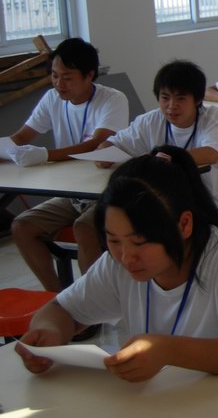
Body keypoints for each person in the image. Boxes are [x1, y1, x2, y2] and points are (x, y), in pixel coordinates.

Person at [15, 146, 218, 381]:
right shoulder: (116, 265)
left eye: (140, 242)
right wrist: (50, 331)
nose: (126, 257)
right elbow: (62, 310)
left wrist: (170, 351)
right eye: (113, 240)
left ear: (184, 224)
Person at [8, 38, 129, 292]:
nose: (58, 84)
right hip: (72, 193)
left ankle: (91, 303)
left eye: (67, 77)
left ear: (89, 75)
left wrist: (45, 155)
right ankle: (58, 297)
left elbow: (95, 144)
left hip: (106, 192)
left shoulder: (112, 99)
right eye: (54, 75)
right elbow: (20, 137)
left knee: (84, 227)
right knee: (22, 226)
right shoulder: (52, 99)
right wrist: (4, 149)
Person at [99, 60, 218, 231]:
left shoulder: (214, 117)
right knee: (112, 222)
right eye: (165, 97)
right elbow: (112, 143)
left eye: (181, 98)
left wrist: (169, 159)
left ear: (197, 99)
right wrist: (104, 153)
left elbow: (211, 154)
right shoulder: (150, 121)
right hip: (169, 203)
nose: (171, 105)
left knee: (168, 232)